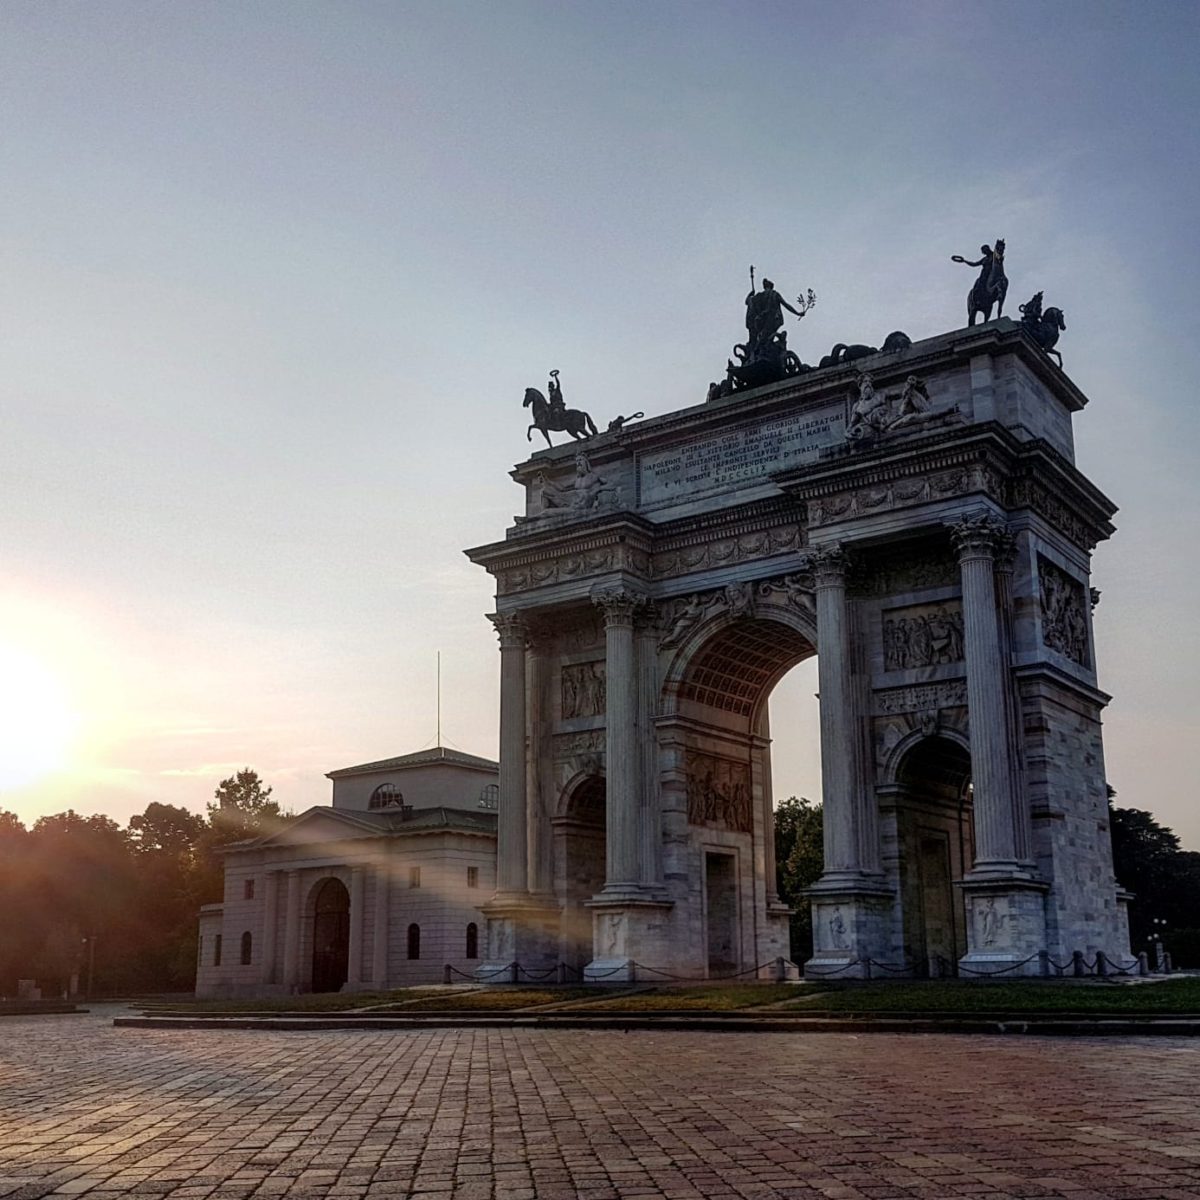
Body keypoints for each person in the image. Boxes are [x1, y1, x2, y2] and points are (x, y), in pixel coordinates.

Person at [744, 278, 805, 351]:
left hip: (762, 322)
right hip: (773, 320)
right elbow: (786, 305)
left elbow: (748, 301)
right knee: (766, 339)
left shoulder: (759, 296)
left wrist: (750, 294)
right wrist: (798, 313)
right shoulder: (775, 294)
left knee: (764, 339)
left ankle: (762, 350)